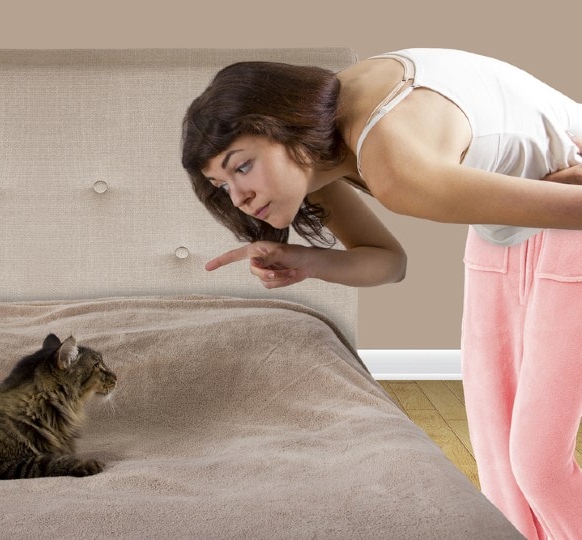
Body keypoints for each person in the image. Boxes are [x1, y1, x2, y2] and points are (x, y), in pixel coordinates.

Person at [181, 48, 582, 540]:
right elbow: (389, 262)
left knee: (539, 467)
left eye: (241, 166)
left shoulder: (393, 164)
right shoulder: (325, 145)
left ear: (282, 126)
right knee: (499, 464)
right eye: (221, 185)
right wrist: (309, 262)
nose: (237, 197)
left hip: (567, 228)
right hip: (501, 232)